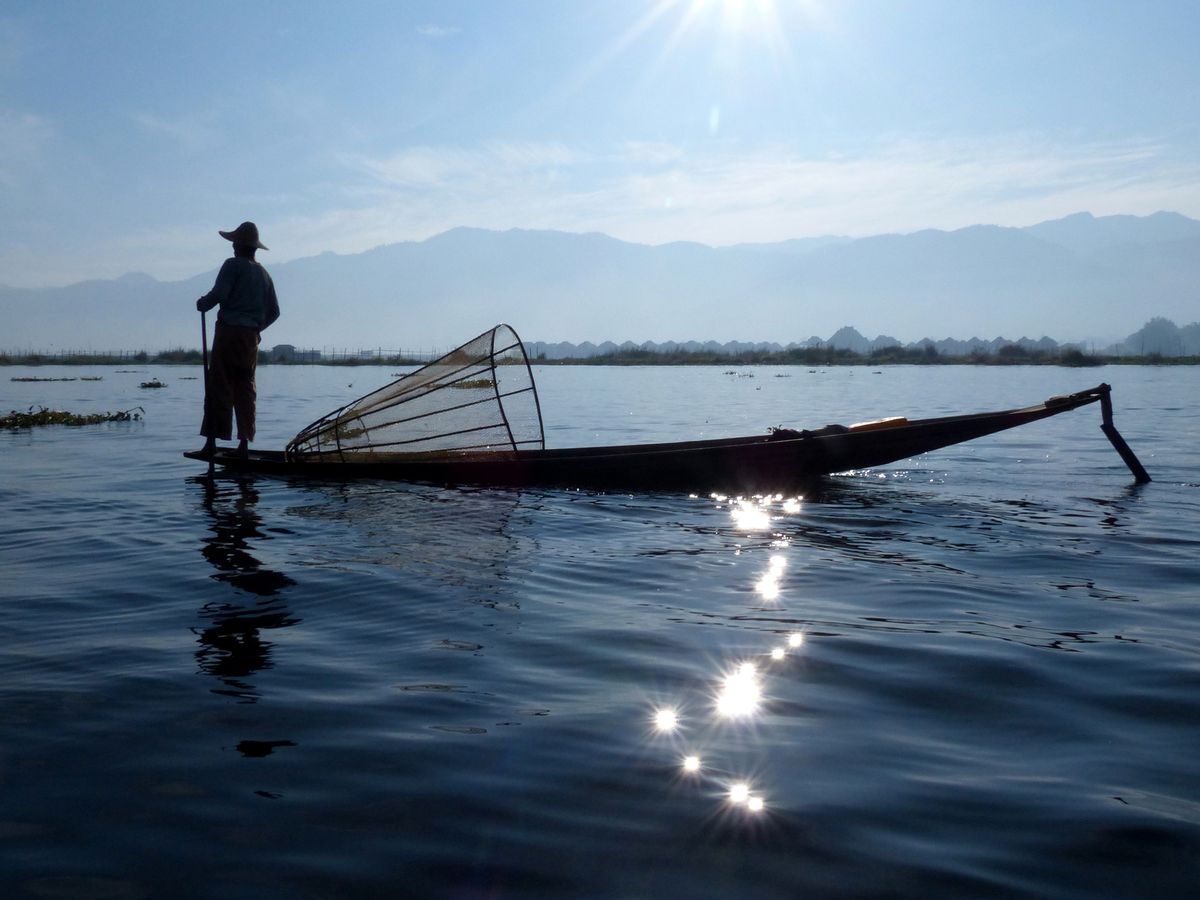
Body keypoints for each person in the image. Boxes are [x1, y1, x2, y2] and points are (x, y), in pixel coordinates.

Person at [196, 221, 280, 458]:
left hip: (229, 332)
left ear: (237, 246)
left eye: (234, 243)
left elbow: (219, 294)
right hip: (250, 338)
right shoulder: (264, 275)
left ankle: (212, 442)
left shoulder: (232, 265)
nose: (232, 247)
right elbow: (274, 312)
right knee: (246, 388)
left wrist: (204, 303)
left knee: (219, 385)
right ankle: (243, 445)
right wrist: (256, 329)